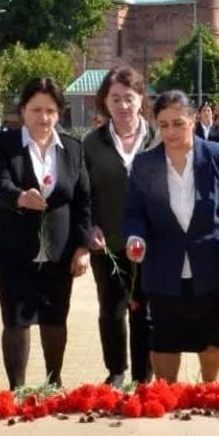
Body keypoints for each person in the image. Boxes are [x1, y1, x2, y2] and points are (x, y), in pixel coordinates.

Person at [124, 91, 219, 383]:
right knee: (165, 336)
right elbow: (135, 212)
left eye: (178, 123)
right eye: (163, 125)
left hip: (212, 262)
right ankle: (167, 395)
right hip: (163, 264)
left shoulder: (216, 155)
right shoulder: (144, 164)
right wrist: (135, 238)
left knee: (214, 332)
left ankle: (209, 390)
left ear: (193, 120)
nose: (170, 132)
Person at [0, 78, 91, 388]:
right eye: (36, 109)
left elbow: (84, 200)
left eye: (50, 110)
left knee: (54, 317)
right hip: (13, 248)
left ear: (59, 113)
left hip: (60, 250)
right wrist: (19, 197)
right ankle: (17, 390)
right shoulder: (4, 144)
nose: (43, 117)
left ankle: (53, 382)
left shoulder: (72, 148)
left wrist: (83, 247)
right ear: (23, 110)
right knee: (16, 318)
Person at [82, 67, 158, 387]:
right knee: (111, 311)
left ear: (141, 98)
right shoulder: (92, 143)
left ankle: (143, 376)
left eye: (129, 98)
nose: (123, 106)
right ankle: (116, 371)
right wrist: (89, 227)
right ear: (105, 102)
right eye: (115, 99)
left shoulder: (157, 139)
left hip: (150, 245)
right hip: (108, 244)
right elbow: (83, 193)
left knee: (145, 312)